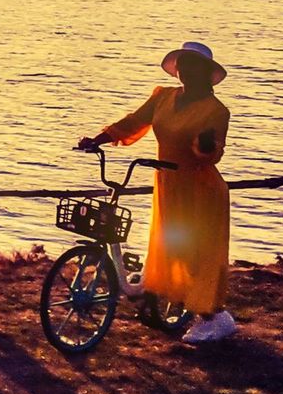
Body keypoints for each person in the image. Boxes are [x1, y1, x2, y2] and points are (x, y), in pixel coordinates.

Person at [78, 40, 236, 344]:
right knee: (170, 246)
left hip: (199, 188)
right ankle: (170, 301)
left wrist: (204, 146)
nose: (186, 71)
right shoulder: (163, 97)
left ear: (206, 73)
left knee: (195, 252)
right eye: (183, 65)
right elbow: (135, 121)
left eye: (193, 66)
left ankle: (214, 316)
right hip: (167, 183)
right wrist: (98, 139)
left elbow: (213, 153)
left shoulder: (216, 110)